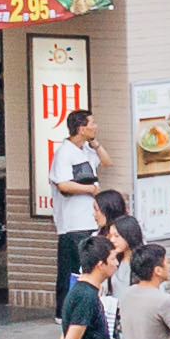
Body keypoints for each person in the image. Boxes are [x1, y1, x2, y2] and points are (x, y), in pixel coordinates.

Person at [46, 104, 105, 307]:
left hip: (89, 219)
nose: (95, 126)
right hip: (72, 223)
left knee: (87, 267)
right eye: (92, 124)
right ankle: (65, 310)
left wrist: (95, 143)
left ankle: (84, 306)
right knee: (72, 268)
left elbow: (106, 161)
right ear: (81, 128)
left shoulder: (86, 150)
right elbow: (63, 184)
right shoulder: (64, 153)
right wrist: (90, 189)